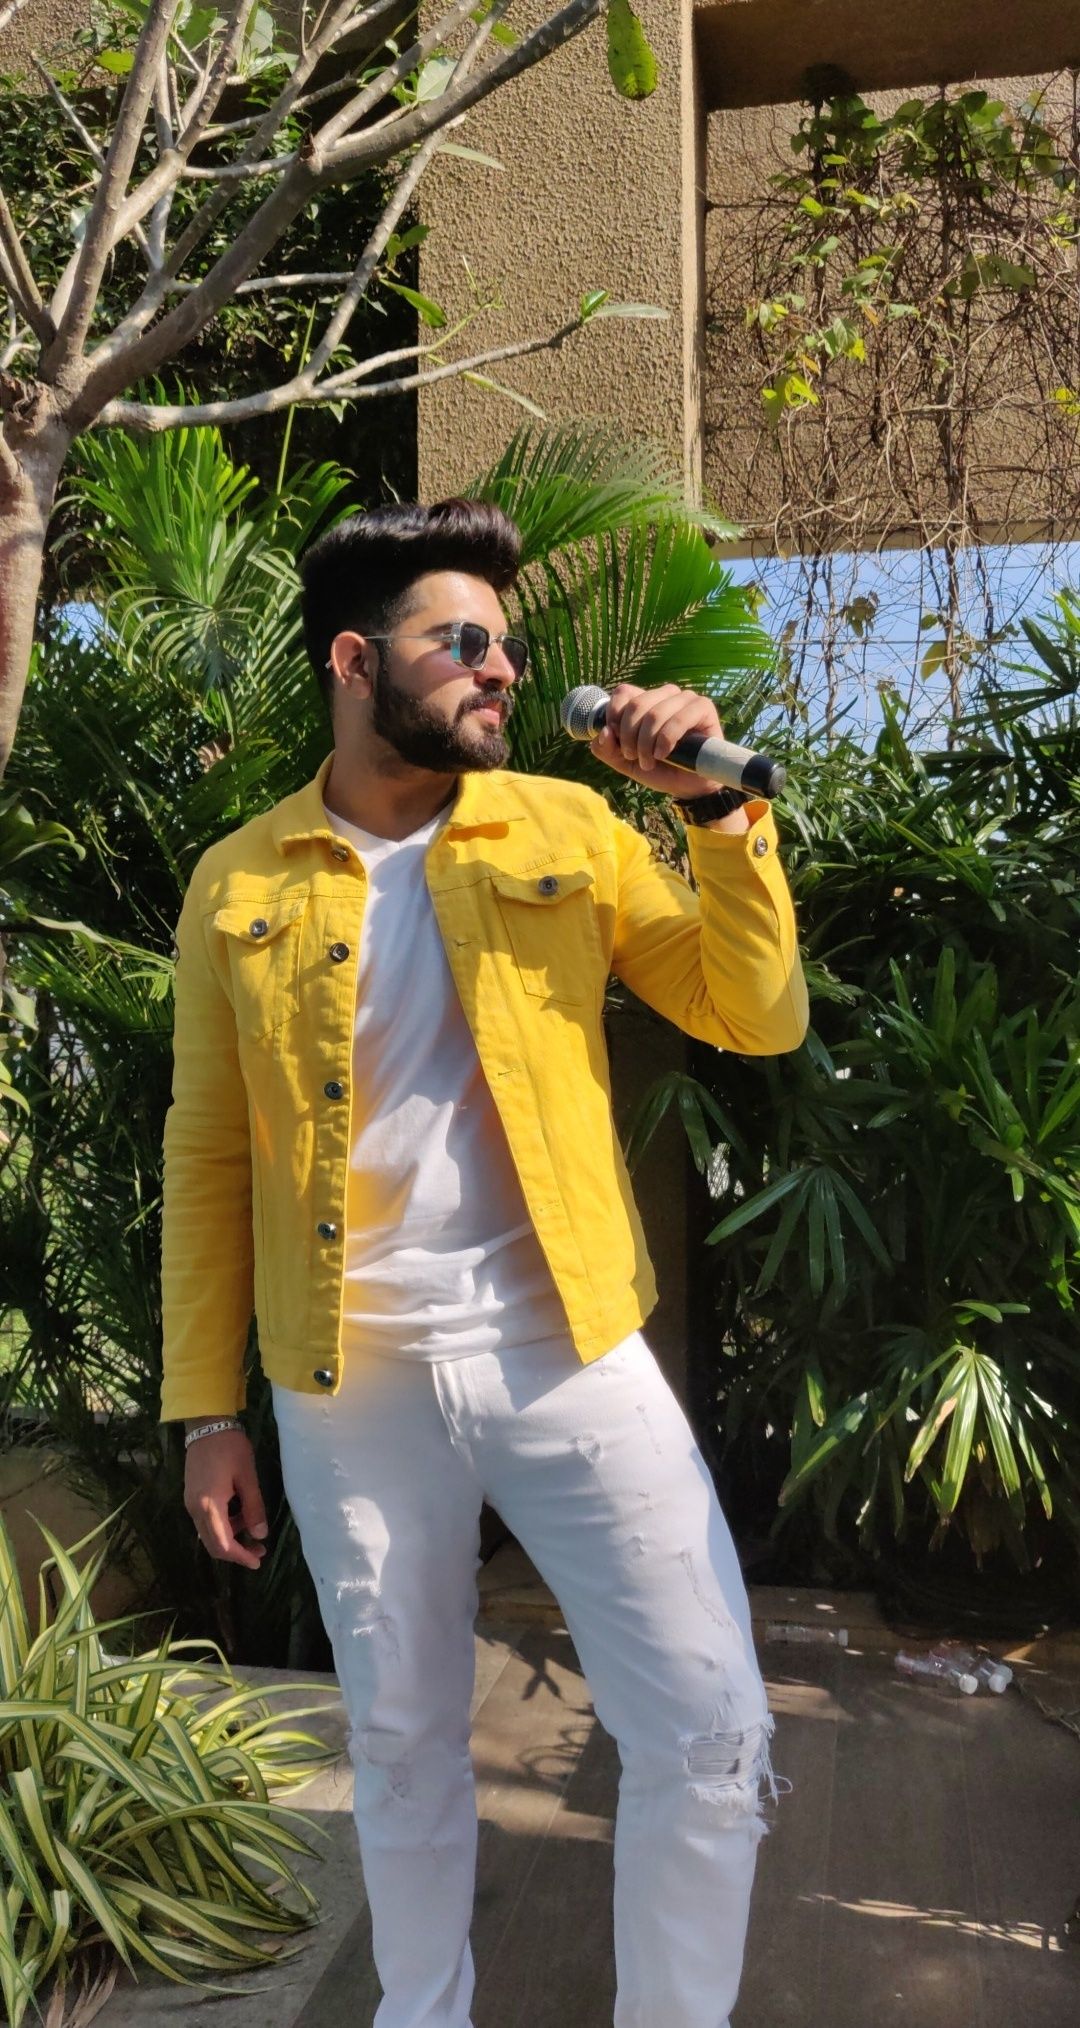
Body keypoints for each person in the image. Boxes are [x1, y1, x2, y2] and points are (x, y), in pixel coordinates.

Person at [161, 497, 809, 2028]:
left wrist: (719, 821)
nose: (501, 669)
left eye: (505, 645)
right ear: (353, 661)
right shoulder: (239, 879)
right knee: (397, 1745)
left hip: (569, 1350)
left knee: (710, 1728)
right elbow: (207, 1153)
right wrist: (205, 1411)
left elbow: (755, 1012)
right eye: (461, 642)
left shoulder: (568, 830)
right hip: (348, 1388)